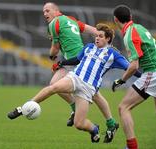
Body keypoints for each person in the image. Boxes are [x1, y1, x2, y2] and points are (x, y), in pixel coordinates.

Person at [7, 23, 141, 143]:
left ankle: (94, 129)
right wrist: (62, 63)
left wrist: (143, 76)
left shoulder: (113, 54)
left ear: (108, 39)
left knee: (79, 123)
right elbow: (76, 60)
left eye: (100, 36)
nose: (97, 38)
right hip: (74, 78)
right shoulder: (88, 47)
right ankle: (23, 108)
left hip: (88, 88)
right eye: (96, 35)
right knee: (53, 88)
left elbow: (130, 67)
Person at [42, 2, 119, 143]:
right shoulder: (71, 20)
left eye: (47, 10)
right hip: (71, 61)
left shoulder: (54, 24)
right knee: (54, 84)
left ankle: (111, 123)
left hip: (82, 62)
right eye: (44, 12)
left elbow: (55, 48)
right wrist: (105, 39)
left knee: (95, 95)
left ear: (55, 11)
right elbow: (93, 30)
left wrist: (52, 56)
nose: (45, 14)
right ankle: (74, 109)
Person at [112, 4, 156, 149]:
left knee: (123, 107)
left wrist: (121, 80)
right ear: (130, 17)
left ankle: (131, 147)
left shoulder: (129, 34)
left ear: (115, 20)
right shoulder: (139, 27)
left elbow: (134, 66)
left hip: (154, 73)